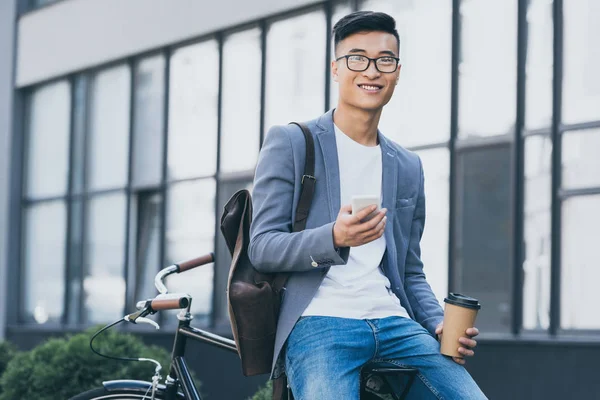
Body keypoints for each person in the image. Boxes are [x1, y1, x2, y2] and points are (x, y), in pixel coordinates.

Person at [248, 10, 487, 400]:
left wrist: (436, 321)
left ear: (396, 71)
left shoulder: (407, 165)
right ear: (336, 69)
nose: (372, 71)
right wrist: (334, 237)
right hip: (319, 322)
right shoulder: (292, 142)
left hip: (394, 321)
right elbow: (262, 247)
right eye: (357, 58)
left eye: (384, 60)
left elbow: (410, 270)